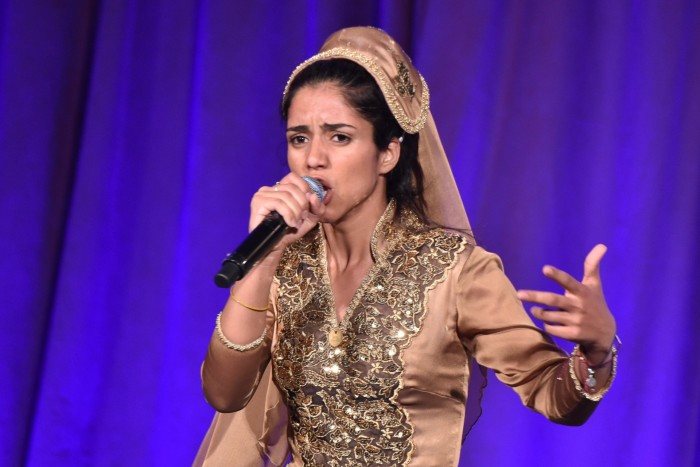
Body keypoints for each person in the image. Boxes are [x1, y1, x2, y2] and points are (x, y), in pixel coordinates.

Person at [194, 26, 618, 466]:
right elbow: (225, 394)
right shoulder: (286, 265)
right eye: (299, 138)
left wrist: (597, 352)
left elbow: (555, 396)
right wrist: (263, 263)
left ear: (387, 154)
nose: (312, 158)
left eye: (339, 137)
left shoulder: (454, 270)